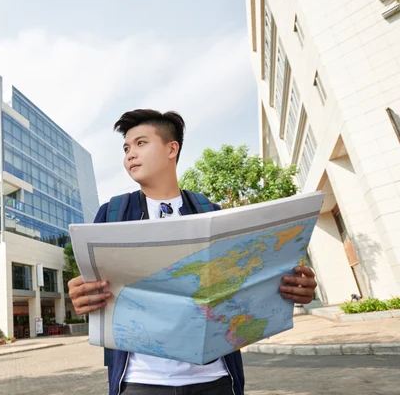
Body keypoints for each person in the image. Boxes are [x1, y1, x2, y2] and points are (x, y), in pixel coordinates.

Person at [67, 109, 318, 395]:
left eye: (140, 143)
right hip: (139, 381)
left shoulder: (212, 214)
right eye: (126, 148)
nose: (130, 154)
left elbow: (247, 285)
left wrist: (293, 287)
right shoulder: (112, 214)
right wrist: (82, 295)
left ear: (171, 148)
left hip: (215, 379)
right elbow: (93, 289)